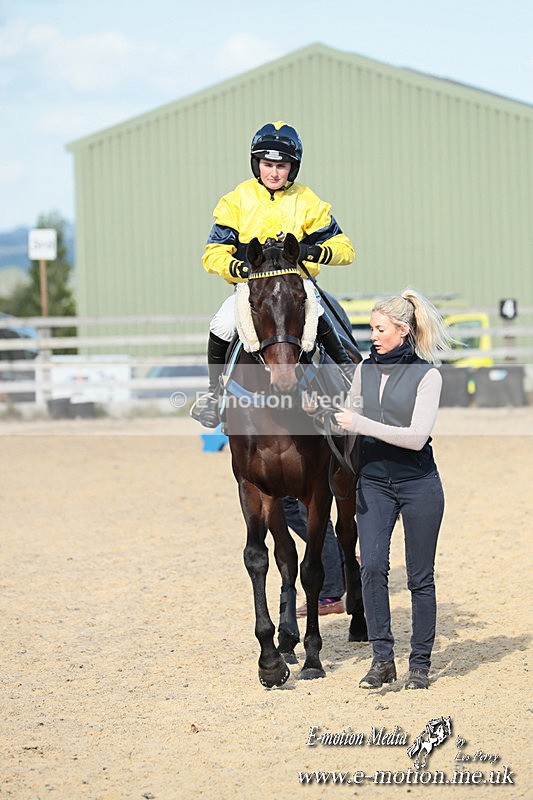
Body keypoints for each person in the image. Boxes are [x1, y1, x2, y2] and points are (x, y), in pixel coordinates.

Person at [197, 120, 356, 429]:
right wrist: (238, 268)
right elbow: (213, 253)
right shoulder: (235, 200)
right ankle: (214, 395)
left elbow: (345, 249)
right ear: (256, 164)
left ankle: (349, 375)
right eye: (267, 164)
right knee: (222, 324)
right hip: (251, 289)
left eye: (281, 166)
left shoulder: (308, 201)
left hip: (297, 285)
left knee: (318, 313)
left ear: (292, 168)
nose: (273, 173)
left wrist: (312, 251)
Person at [334, 289, 451, 690]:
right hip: (374, 484)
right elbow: (347, 417)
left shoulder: (428, 376)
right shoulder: (363, 370)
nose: (373, 336)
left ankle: (419, 664)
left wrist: (358, 423)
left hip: (418, 485)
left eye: (380, 329)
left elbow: (416, 438)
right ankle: (382, 660)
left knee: (420, 578)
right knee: (371, 567)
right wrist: (323, 415)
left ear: (403, 330)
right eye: (371, 328)